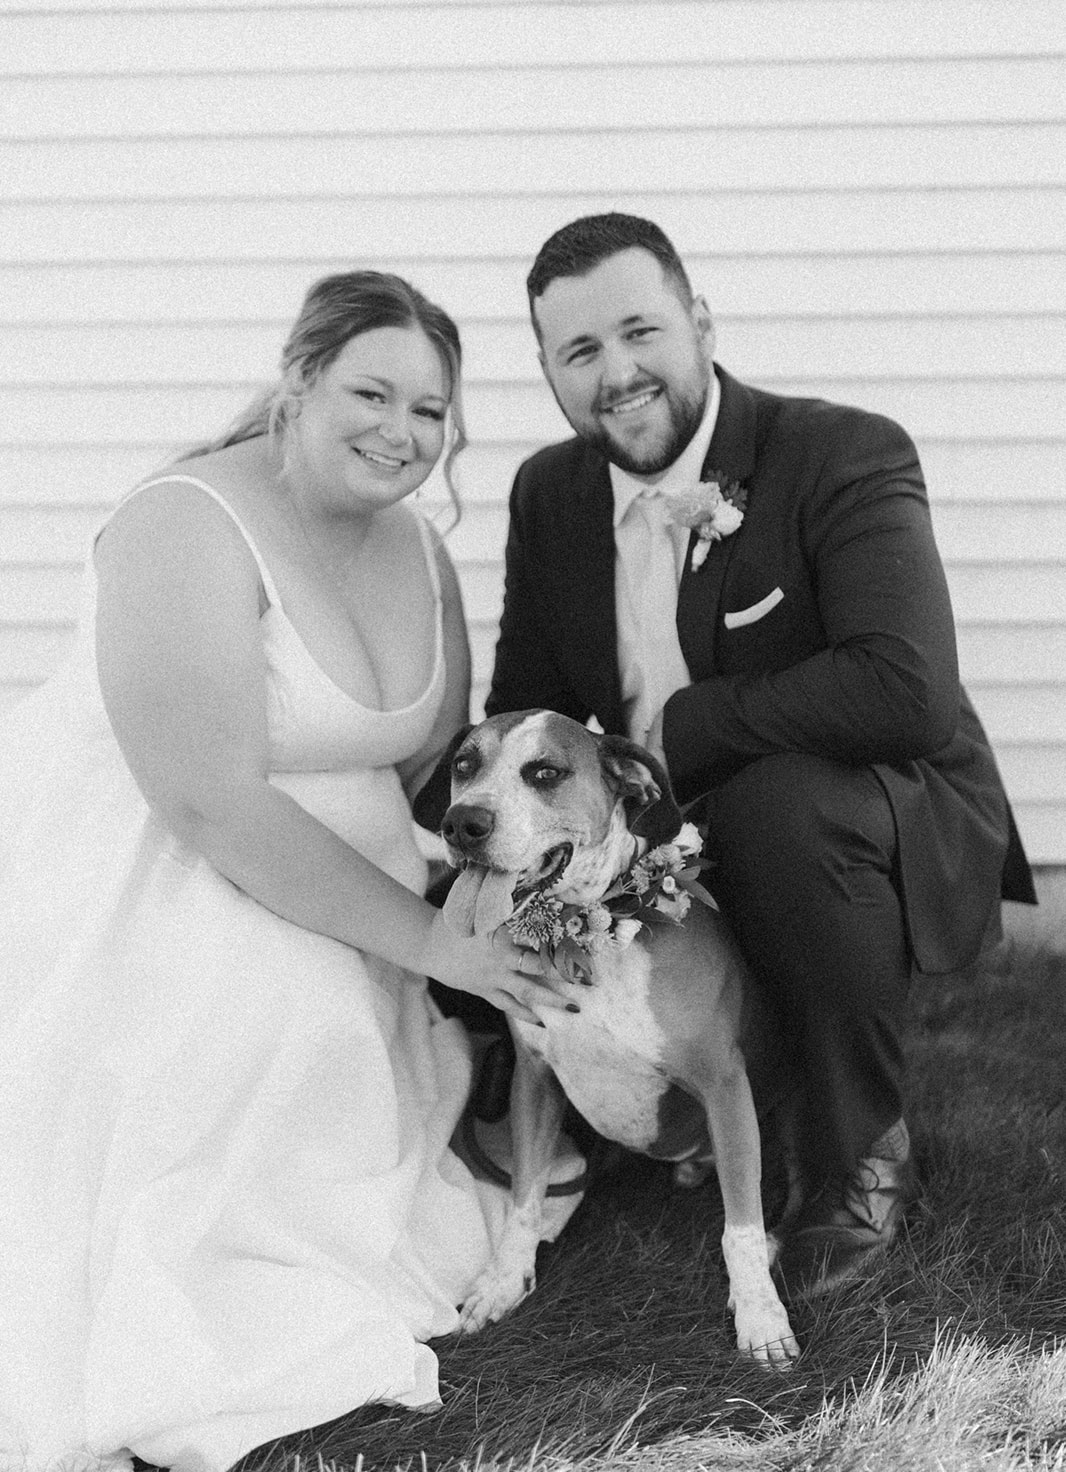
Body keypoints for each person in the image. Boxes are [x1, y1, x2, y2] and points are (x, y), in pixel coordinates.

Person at [0, 271, 579, 1472]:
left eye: (431, 413)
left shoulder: (421, 551)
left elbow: (437, 766)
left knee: (374, 1040)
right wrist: (425, 940)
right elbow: (207, 798)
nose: (401, 433)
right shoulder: (183, 521)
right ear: (299, 379)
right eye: (372, 392)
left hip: (351, 869)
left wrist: (509, 878)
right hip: (163, 858)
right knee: (278, 1020)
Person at [484, 212, 1037, 1297]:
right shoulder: (548, 494)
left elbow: (906, 690)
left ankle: (855, 1155)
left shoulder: (841, 450)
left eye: (640, 332)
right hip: (646, 828)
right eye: (579, 352)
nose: (618, 372)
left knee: (776, 809)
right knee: (497, 864)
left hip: (853, 805)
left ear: (698, 321)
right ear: (547, 369)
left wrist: (671, 737)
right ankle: (593, 1097)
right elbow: (525, 705)